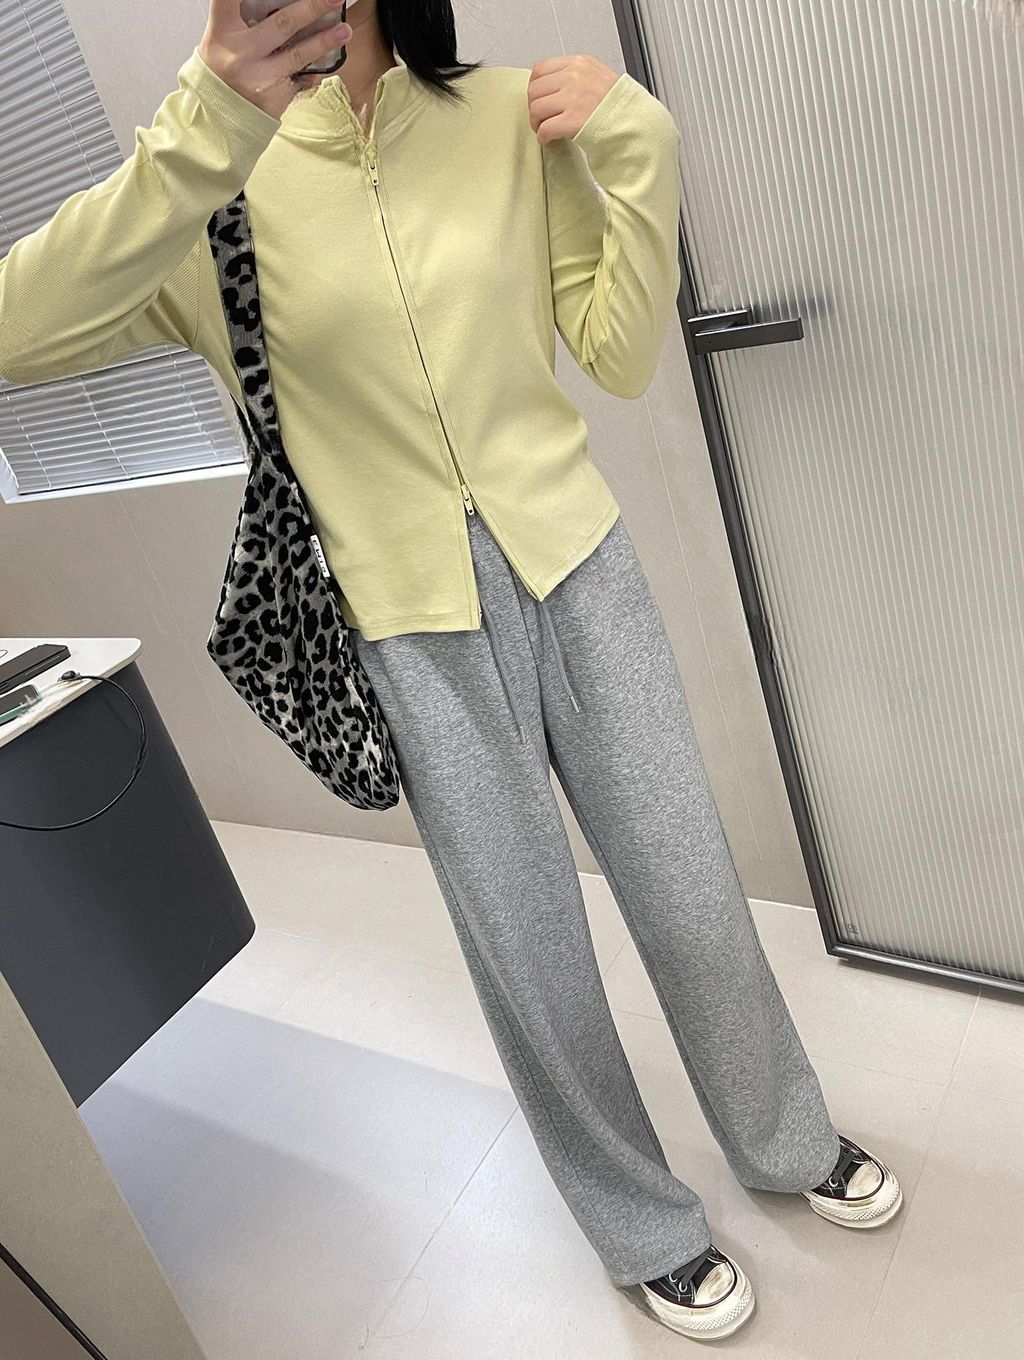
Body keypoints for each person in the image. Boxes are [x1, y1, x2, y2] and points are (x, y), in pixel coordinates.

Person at [0, 0, 902, 1341]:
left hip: (579, 565)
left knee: (693, 888)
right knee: (531, 954)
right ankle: (643, 1224)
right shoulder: (213, 172)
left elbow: (616, 353)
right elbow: (16, 329)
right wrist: (209, 118)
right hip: (404, 618)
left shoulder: (502, 118)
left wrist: (641, 147)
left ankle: (785, 1138)